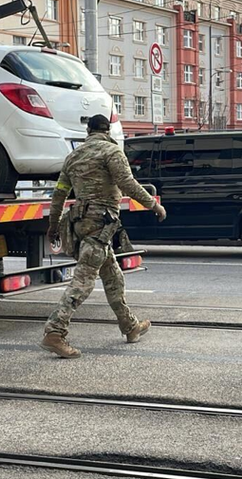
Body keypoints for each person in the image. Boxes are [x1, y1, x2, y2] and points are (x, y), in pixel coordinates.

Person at [42, 115, 167, 358]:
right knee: (84, 280)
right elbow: (127, 183)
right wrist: (154, 205)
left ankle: (130, 326)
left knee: (113, 277)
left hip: (82, 224)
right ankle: (54, 332)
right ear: (107, 130)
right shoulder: (111, 151)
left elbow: (58, 195)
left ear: (88, 131)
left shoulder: (73, 156)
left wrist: (53, 225)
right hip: (100, 224)